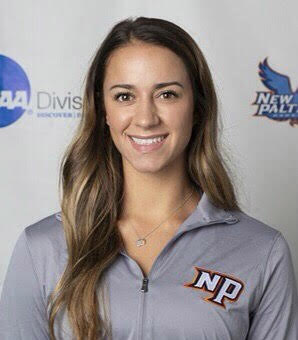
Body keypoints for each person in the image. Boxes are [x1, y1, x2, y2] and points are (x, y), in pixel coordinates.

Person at [0, 16, 297, 340]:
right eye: (125, 96)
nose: (145, 118)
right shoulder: (42, 248)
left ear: (197, 107)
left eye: (167, 94)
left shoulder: (261, 251)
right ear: (103, 112)